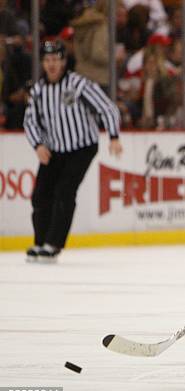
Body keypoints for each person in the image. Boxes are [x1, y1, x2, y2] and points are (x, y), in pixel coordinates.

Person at [23, 41, 122, 263]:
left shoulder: (78, 84)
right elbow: (29, 121)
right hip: (53, 149)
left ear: (63, 62)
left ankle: (53, 244)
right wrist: (38, 144)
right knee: (40, 195)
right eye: (47, 60)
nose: (51, 65)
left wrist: (113, 136)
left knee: (64, 192)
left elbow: (107, 108)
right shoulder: (38, 90)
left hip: (82, 147)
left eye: (55, 60)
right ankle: (40, 242)